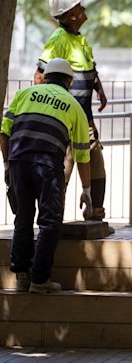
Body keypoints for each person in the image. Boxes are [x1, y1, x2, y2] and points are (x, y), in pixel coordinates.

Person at [0, 58, 92, 293]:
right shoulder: (73, 106)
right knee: (49, 222)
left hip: (19, 162)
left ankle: (22, 276)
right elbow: (82, 154)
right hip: (47, 166)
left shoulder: (24, 94)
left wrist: (7, 165)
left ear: (45, 76)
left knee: (23, 218)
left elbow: (4, 133)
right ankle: (40, 280)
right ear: (69, 81)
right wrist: (87, 191)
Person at [34, 0, 109, 224]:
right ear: (70, 14)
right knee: (66, 162)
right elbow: (40, 75)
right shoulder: (59, 39)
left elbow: (90, 71)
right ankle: (53, 215)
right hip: (67, 117)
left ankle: (95, 212)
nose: (84, 9)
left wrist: (99, 90)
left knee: (94, 158)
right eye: (79, 6)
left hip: (84, 116)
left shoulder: (80, 40)